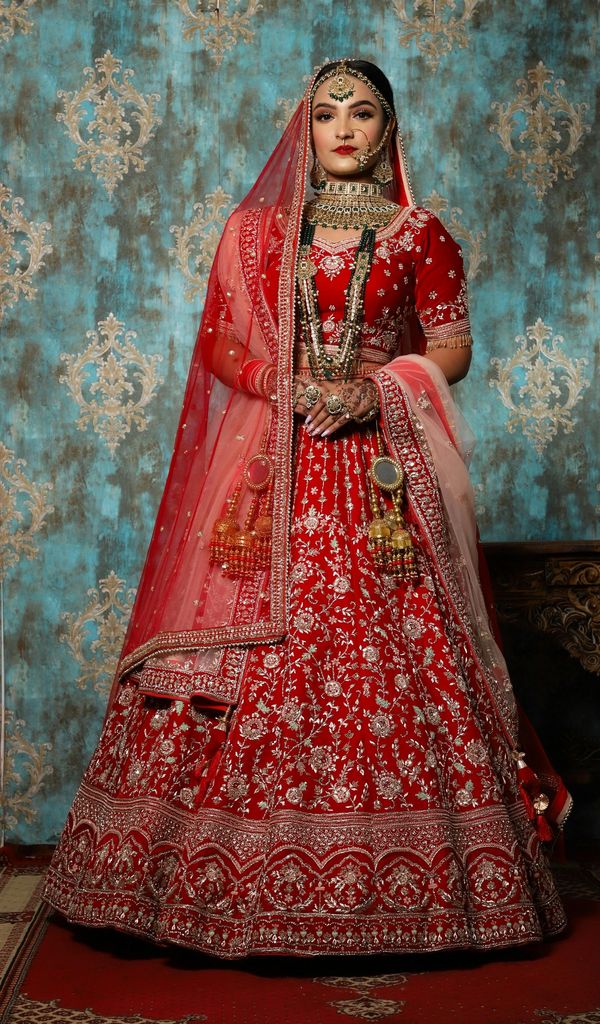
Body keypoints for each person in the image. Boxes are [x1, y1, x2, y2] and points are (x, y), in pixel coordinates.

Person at [43, 59, 571, 958]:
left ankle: (409, 898)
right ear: (306, 127)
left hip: (375, 476)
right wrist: (271, 381)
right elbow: (217, 341)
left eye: (363, 113)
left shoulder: (419, 232)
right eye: (327, 113)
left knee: (389, 646)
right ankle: (195, 888)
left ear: (389, 130)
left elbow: (451, 349)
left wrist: (380, 390)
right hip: (268, 472)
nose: (344, 128)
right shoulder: (258, 235)